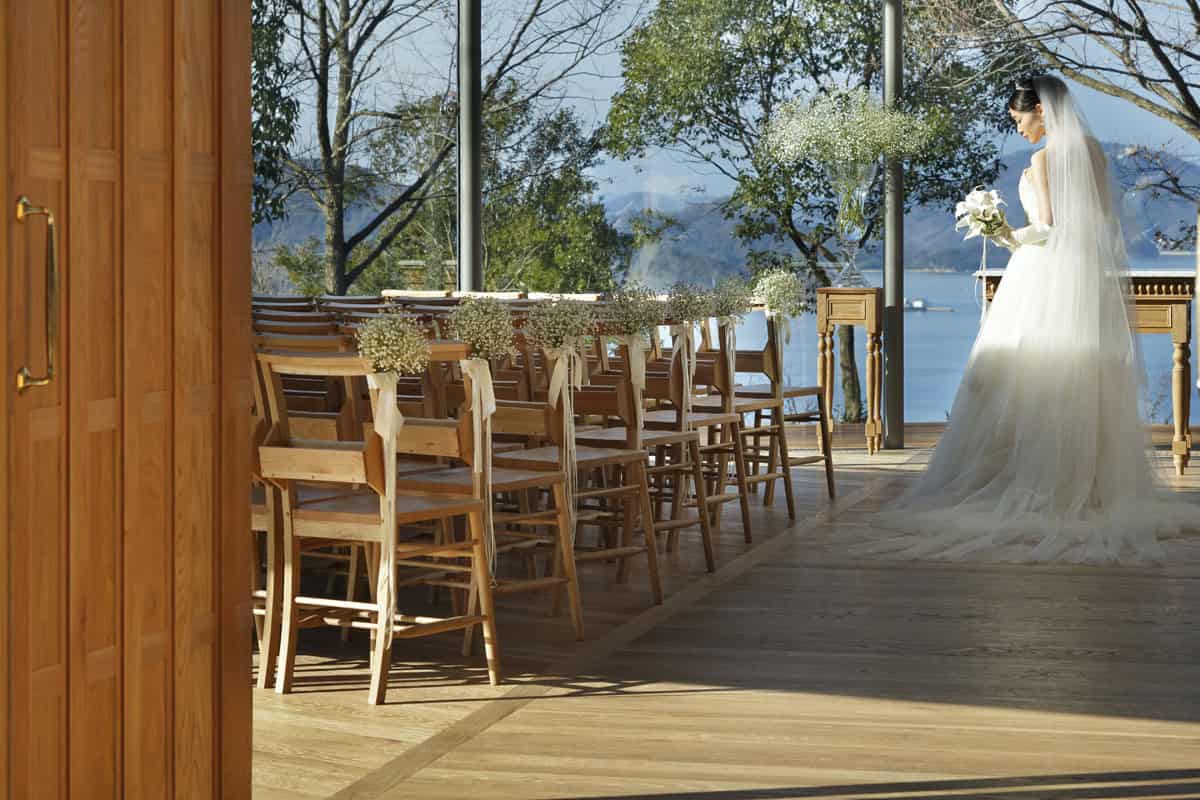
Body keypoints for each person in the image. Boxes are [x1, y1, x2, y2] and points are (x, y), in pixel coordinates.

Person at [862, 74, 1197, 564]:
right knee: (1080, 374)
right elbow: (1102, 221)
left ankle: (1035, 480)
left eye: (1019, 119)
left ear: (1040, 109)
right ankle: (1091, 483)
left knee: (1028, 371)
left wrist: (1005, 234)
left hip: (1041, 276)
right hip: (1084, 279)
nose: (1018, 129)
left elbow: (1048, 227)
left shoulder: (1044, 159)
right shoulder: (1095, 154)